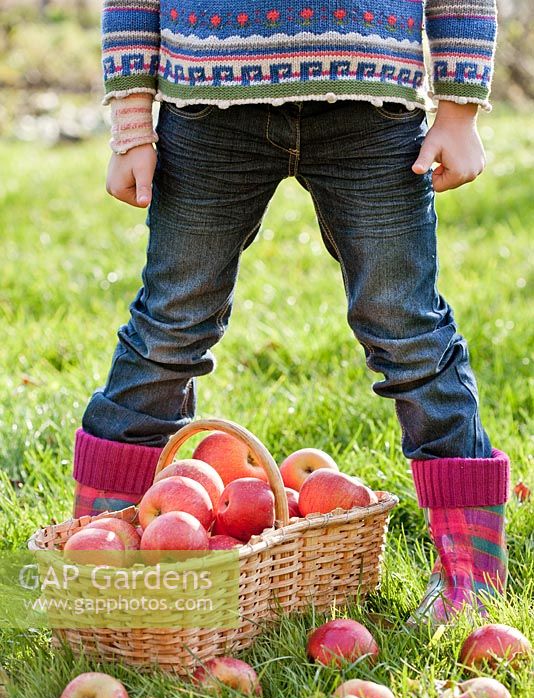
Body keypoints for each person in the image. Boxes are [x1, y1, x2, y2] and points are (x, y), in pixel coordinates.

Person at [73, 1, 509, 623]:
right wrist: (132, 125)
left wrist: (460, 108)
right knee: (169, 326)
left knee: (406, 326)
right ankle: (98, 558)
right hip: (208, 107)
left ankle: (472, 575)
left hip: (374, 108)